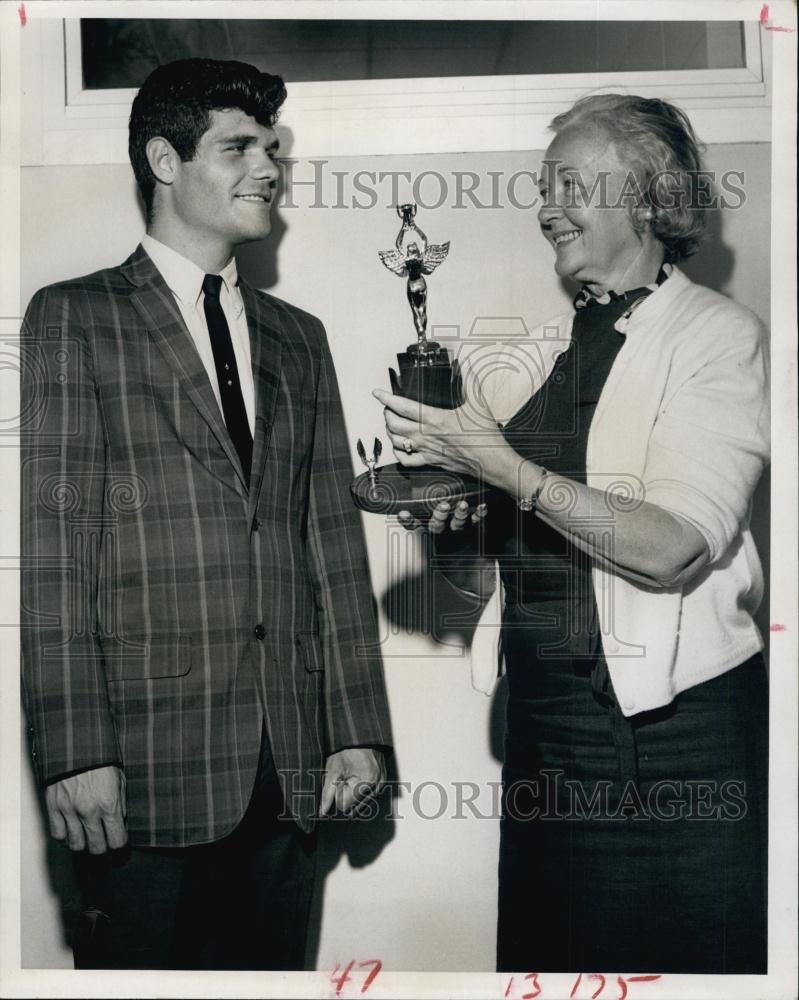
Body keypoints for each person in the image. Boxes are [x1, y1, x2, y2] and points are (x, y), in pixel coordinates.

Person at [375, 94, 769, 973]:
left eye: (571, 182)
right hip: (546, 734)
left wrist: (500, 464)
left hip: (671, 742)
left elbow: (670, 546)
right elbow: (516, 572)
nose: (547, 205)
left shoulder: (717, 336)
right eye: (542, 185)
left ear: (649, 197)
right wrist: (452, 524)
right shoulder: (559, 349)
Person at [21, 57, 392, 971]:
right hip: (141, 770)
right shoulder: (76, 318)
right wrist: (74, 750)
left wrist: (357, 727)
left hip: (290, 765)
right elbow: (54, 548)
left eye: (272, 148)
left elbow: (329, 543)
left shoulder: (298, 337)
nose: (268, 166)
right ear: (163, 158)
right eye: (238, 147)